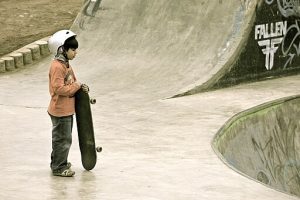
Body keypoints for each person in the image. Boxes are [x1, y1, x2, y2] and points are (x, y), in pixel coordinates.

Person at [47, 30, 88, 177]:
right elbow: (59, 88)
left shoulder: (67, 65)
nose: (75, 52)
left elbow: (73, 81)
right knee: (63, 140)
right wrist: (76, 86)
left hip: (67, 110)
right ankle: (59, 167)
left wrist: (80, 87)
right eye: (73, 49)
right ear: (62, 49)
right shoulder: (57, 67)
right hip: (60, 110)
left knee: (63, 139)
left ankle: (58, 161)